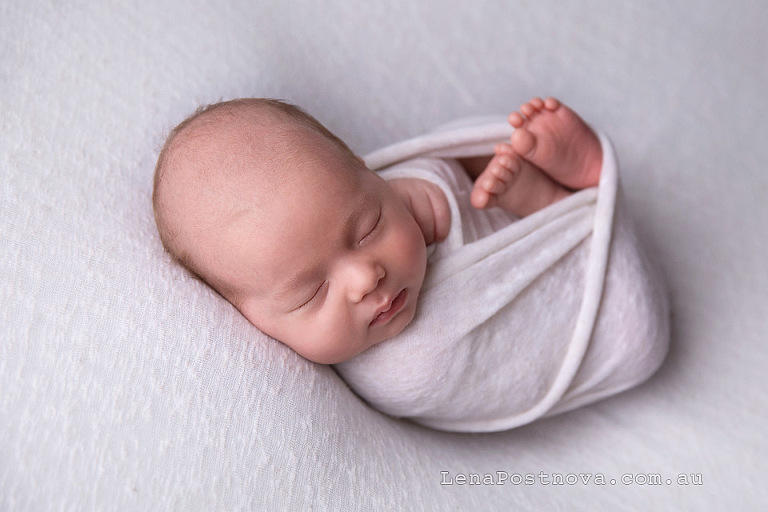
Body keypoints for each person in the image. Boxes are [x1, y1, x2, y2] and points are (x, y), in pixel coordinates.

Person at [152, 96, 603, 364]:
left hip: (543, 240)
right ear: (251, 319)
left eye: (367, 230)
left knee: (445, 183)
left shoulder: (398, 199)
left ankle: (555, 193)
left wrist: (431, 191)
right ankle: (559, 205)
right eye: (311, 293)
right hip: (580, 331)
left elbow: (407, 186)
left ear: (369, 173)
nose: (366, 278)